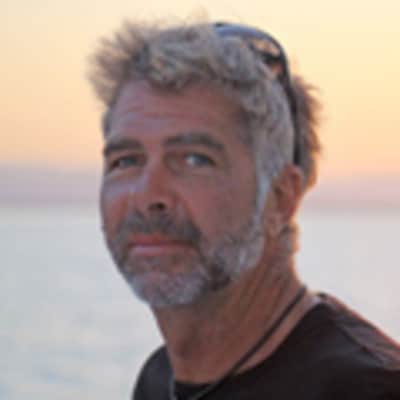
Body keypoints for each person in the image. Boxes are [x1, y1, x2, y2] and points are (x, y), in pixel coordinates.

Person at [88, 20, 400, 400]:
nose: (147, 194)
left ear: (281, 197)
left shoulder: (368, 388)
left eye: (194, 159)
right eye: (125, 161)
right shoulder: (161, 379)